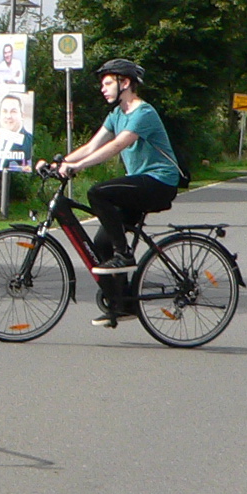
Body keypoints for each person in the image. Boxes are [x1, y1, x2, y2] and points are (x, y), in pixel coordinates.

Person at [35, 57, 179, 327]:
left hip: (159, 182)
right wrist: (62, 163)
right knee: (102, 243)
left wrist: (77, 167)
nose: (102, 89)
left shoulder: (143, 113)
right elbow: (93, 145)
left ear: (125, 83)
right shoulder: (116, 115)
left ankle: (124, 255)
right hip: (139, 183)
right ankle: (122, 304)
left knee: (98, 193)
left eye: (108, 83)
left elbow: (115, 146)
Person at [0, 91, 35, 171]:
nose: (8, 116)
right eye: (4, 111)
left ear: (22, 115)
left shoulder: (29, 141)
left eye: (13, 111)